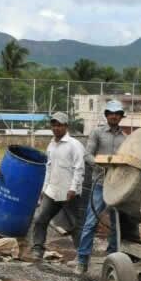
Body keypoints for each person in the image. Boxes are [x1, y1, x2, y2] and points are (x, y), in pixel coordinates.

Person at [75, 100, 127, 274]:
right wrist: (100, 163)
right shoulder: (97, 133)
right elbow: (87, 154)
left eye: (117, 113)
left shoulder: (125, 138)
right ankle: (82, 260)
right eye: (111, 113)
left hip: (117, 187)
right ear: (106, 115)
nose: (114, 116)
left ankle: (112, 256)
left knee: (116, 223)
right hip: (99, 184)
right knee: (91, 222)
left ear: (121, 116)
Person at [28, 112, 86, 262]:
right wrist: (44, 189)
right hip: (52, 191)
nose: (56, 128)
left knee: (74, 225)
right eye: (54, 125)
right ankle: (37, 250)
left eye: (59, 125)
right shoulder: (51, 145)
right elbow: (49, 168)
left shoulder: (74, 145)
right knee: (40, 218)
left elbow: (79, 168)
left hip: (69, 193)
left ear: (66, 126)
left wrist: (73, 188)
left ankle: (81, 256)